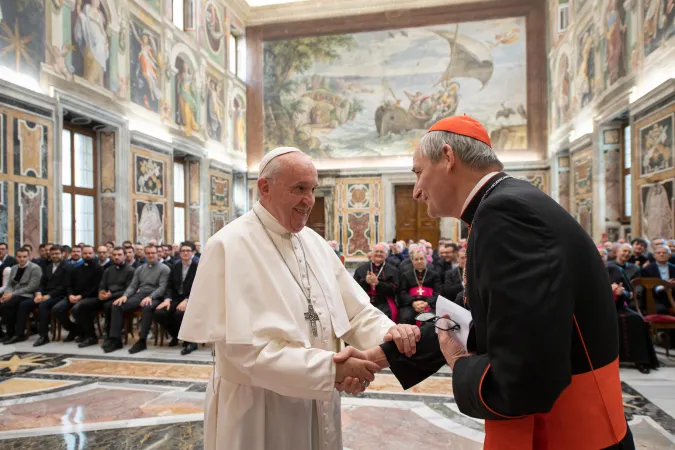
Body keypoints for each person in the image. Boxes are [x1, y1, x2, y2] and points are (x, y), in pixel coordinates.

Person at [342, 116, 634, 449]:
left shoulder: (504, 213)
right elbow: (474, 318)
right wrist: (377, 356)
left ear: (448, 158)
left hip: (565, 434)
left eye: (418, 172)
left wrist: (459, 364)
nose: (418, 190)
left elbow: (522, 380)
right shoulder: (508, 203)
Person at [178, 147, 419, 450]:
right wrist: (331, 369)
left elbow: (356, 311)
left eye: (313, 189)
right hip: (259, 408)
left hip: (318, 394)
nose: (309, 201)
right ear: (264, 187)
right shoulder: (229, 245)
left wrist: (389, 333)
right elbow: (244, 353)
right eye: (299, 189)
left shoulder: (314, 243)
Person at [601, 248, 659, 374]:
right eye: (597, 256)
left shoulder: (616, 270)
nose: (600, 259)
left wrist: (622, 292)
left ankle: (641, 360)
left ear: (607, 258)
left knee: (636, 319)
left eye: (603, 256)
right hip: (596, 310)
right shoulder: (585, 271)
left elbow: (631, 294)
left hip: (618, 307)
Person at [103, 244, 170, 354]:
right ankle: (115, 340)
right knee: (116, 305)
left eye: (153, 253)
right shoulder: (140, 269)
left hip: (156, 296)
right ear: (145, 254)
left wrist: (150, 297)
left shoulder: (165, 269)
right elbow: (133, 286)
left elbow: (162, 287)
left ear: (158, 254)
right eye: (148, 253)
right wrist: (125, 296)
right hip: (140, 295)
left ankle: (142, 341)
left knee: (147, 307)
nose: (151, 255)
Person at [72, 247, 134, 348]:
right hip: (105, 297)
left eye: (119, 255)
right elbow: (102, 284)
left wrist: (111, 295)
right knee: (83, 306)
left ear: (125, 256)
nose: (116, 257)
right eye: (114, 255)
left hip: (119, 297)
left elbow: (129, 289)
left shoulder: (130, 270)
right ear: (111, 256)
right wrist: (101, 292)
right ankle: (90, 336)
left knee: (109, 306)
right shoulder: (108, 270)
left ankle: (111, 337)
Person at [15, 245, 72, 346]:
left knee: (43, 305)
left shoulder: (68, 267)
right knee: (24, 304)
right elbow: (42, 283)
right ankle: (19, 334)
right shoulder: (48, 266)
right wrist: (38, 293)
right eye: (53, 254)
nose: (55, 256)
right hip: (44, 294)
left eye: (57, 253)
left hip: (59, 295)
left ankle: (43, 336)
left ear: (63, 254)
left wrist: (49, 296)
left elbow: (64, 286)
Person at [154, 241, 198, 355]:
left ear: (193, 252)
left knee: (179, 313)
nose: (185, 253)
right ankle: (177, 335)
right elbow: (169, 284)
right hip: (176, 298)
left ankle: (190, 342)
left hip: (193, 300)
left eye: (188, 250)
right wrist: (167, 298)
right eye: (183, 251)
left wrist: (187, 300)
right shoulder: (175, 265)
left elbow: (200, 286)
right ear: (179, 252)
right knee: (159, 313)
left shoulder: (198, 266)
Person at [53, 245, 103, 342]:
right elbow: (68, 285)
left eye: (90, 253)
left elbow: (96, 287)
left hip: (90, 297)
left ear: (94, 254)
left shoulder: (99, 269)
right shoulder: (75, 269)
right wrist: (70, 295)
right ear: (82, 255)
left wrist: (82, 296)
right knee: (57, 309)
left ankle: (88, 335)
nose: (87, 255)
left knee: (77, 308)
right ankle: (74, 329)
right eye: (85, 253)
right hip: (73, 296)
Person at [0, 248, 42, 343]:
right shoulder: (14, 267)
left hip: (29, 295)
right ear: (16, 257)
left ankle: (19, 334)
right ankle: (10, 333)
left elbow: (32, 286)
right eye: (19, 257)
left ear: (29, 257)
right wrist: (6, 294)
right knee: (5, 305)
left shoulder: (35, 268)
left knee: (12, 305)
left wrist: (12, 294)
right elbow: (10, 284)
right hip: (15, 294)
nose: (22, 259)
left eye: (24, 256)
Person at [353, 243, 399, 322]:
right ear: (372, 254)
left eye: (381, 252)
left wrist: (378, 283)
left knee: (385, 318)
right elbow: (354, 287)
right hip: (365, 300)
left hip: (384, 301)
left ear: (386, 255)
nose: (378, 254)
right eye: (376, 251)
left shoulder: (393, 270)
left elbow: (395, 289)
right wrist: (365, 281)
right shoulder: (361, 269)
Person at [398, 248, 442, 325]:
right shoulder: (405, 275)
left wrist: (427, 303)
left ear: (426, 260)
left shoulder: (434, 275)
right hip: (411, 304)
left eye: (421, 259)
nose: (419, 261)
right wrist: (413, 303)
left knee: (430, 319)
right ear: (412, 261)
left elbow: (438, 292)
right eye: (416, 259)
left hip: (429, 304)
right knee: (406, 317)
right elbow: (402, 293)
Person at [641, 245, 675, 314]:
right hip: (655, 298)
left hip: (673, 295)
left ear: (669, 255)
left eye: (664, 253)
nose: (661, 254)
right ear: (654, 255)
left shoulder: (674, 268)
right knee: (661, 310)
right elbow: (647, 287)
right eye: (658, 253)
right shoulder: (647, 269)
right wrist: (663, 286)